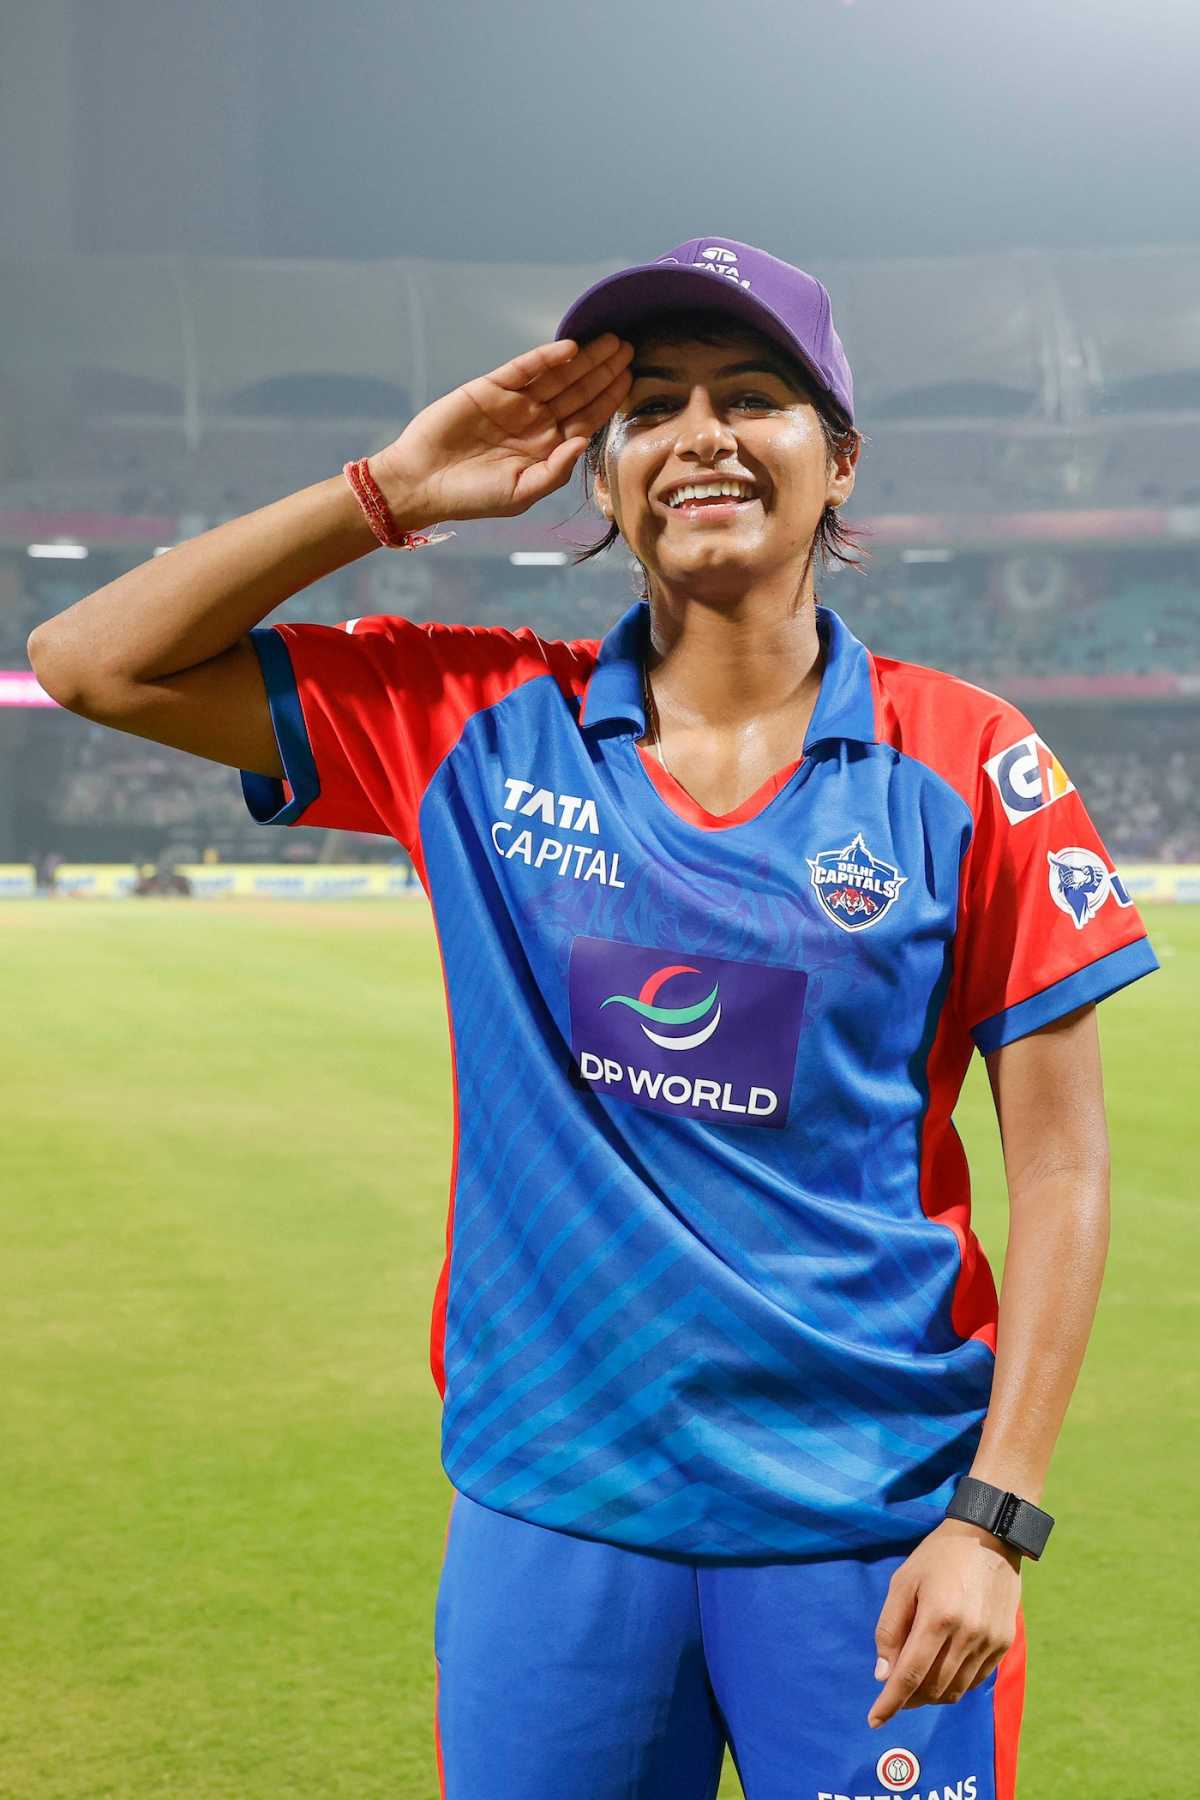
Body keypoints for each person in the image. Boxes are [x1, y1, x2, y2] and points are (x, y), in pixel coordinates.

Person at [27, 236, 1158, 1800]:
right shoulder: (473, 720)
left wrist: (996, 1516)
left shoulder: (968, 763)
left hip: (869, 1523)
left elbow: (1066, 1172)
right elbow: (88, 660)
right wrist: (393, 494)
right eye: (654, 407)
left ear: (837, 466)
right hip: (555, 1518)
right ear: (605, 479)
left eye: (754, 398)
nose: (701, 432)